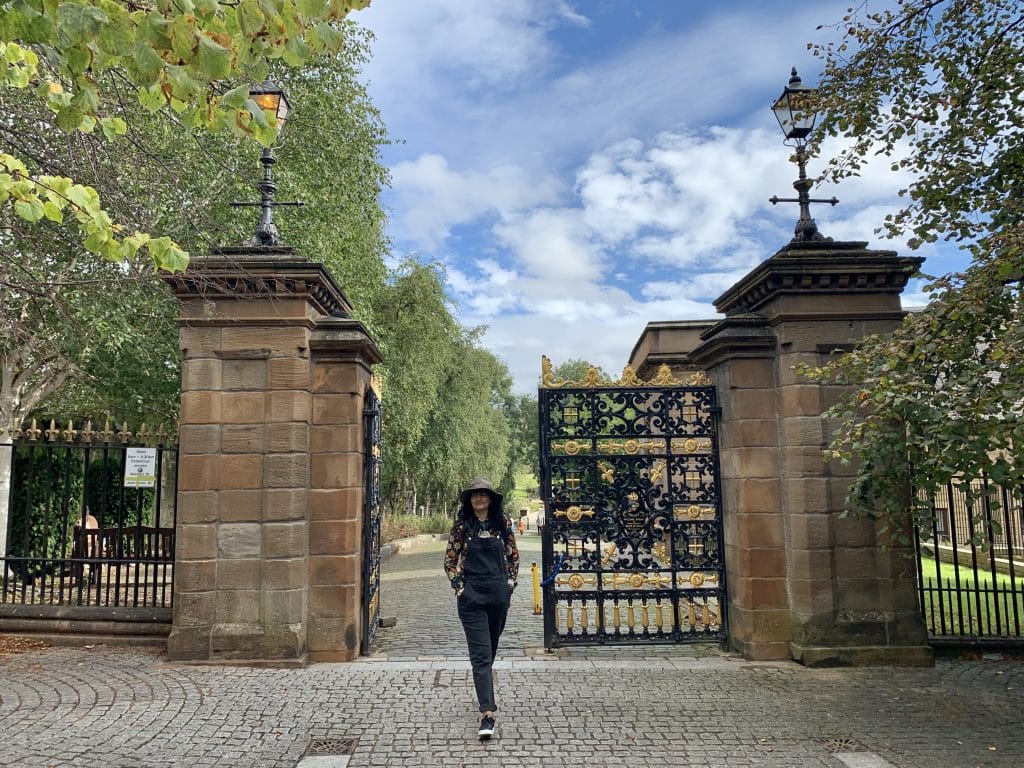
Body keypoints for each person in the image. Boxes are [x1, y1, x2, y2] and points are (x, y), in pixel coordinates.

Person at [443, 476, 519, 740]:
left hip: (498, 596)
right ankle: (487, 713)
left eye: (483, 494)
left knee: (491, 648)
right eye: (474, 494)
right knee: (481, 656)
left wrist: (509, 584)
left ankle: (483, 687)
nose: (479, 498)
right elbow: (450, 562)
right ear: (469, 500)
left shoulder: (503, 525)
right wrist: (460, 587)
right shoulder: (461, 528)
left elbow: (513, 556)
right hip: (472, 598)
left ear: (490, 498)